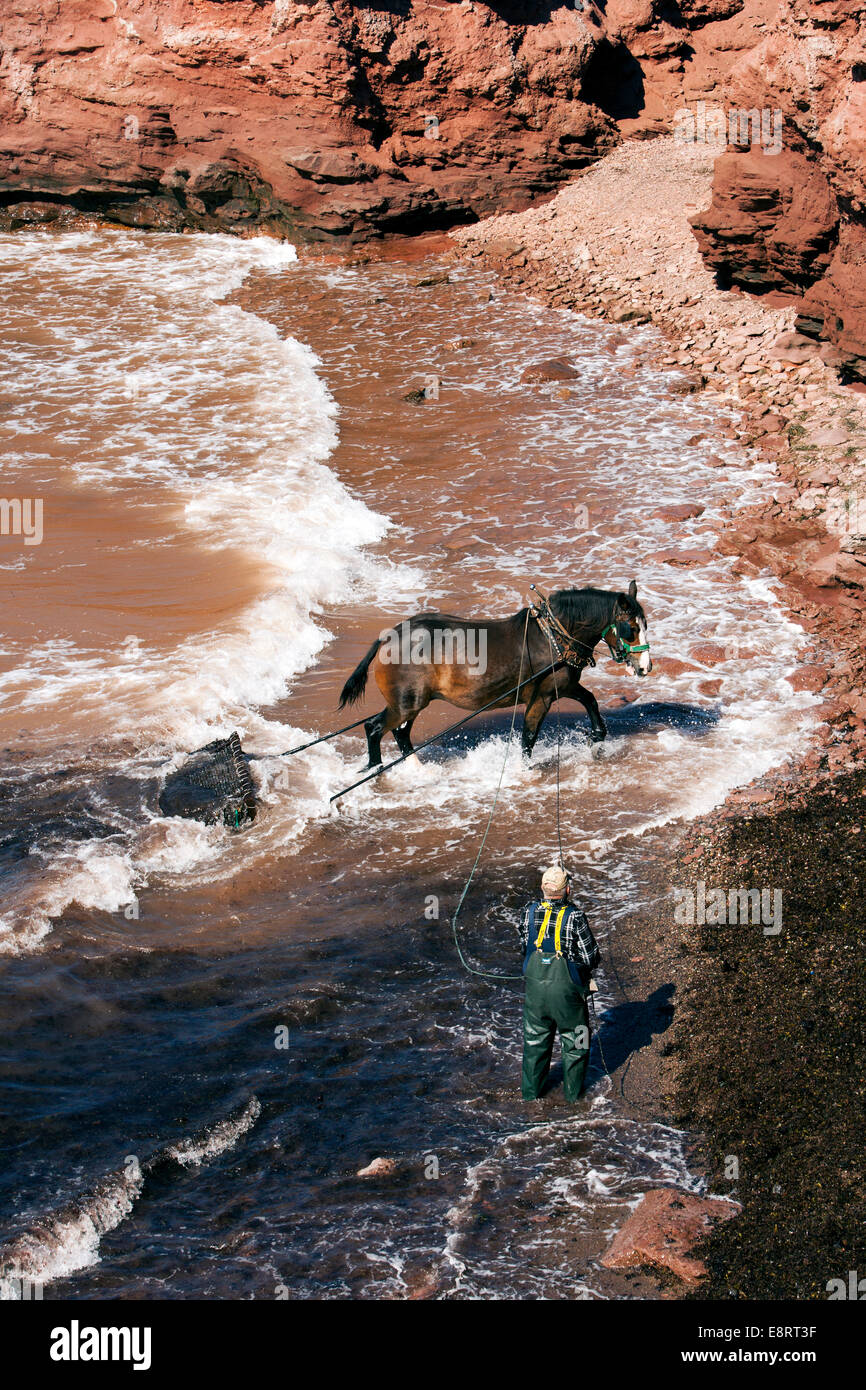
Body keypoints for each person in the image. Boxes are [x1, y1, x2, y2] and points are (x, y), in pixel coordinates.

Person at [518, 865, 600, 1102]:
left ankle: (530, 1099)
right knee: (578, 1040)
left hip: (535, 992)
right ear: (567, 890)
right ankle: (574, 1099)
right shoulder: (575, 916)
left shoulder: (528, 911)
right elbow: (590, 957)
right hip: (567, 995)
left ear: (543, 889)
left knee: (534, 1042)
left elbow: (524, 946)